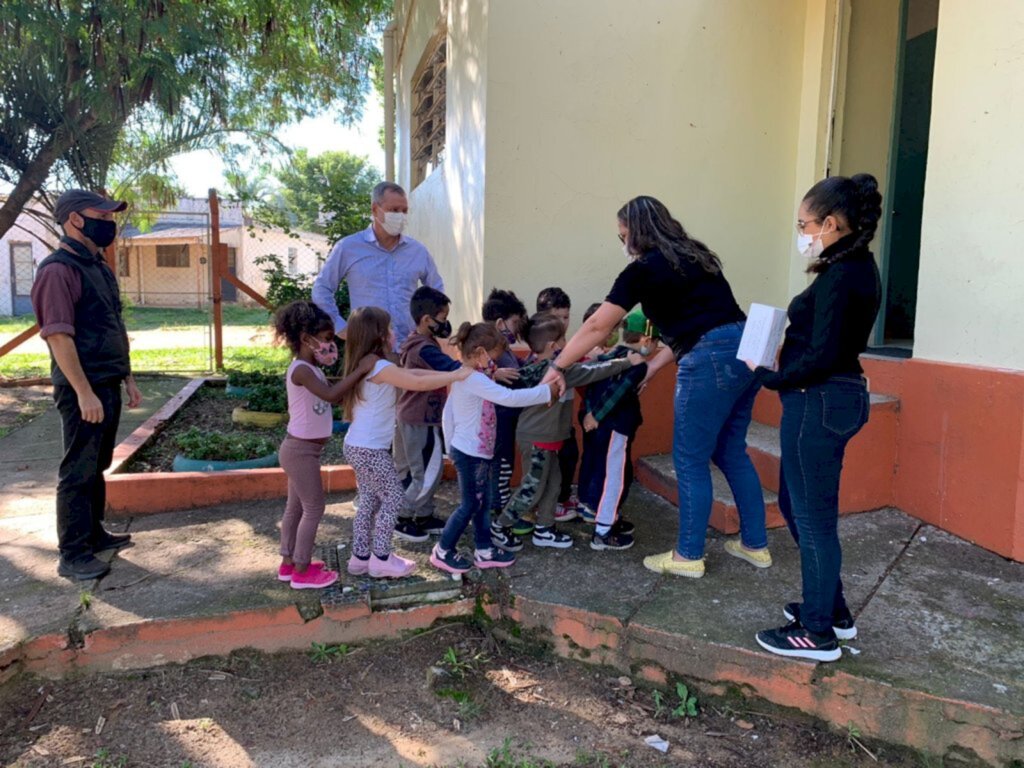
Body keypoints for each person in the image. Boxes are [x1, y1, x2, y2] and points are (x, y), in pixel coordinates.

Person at [541, 195, 769, 579]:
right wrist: (651, 370)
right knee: (732, 450)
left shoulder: (642, 270)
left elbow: (599, 325)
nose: (624, 244)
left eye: (623, 235)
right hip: (746, 351)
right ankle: (755, 545)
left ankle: (688, 556)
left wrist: (556, 365)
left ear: (637, 233)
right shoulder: (697, 256)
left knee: (690, 459)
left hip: (710, 358)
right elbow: (695, 328)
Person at [751, 174, 882, 663]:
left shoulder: (842, 276)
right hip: (829, 398)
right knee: (795, 501)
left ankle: (817, 631)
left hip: (819, 399)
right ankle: (832, 609)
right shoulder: (850, 268)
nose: (801, 232)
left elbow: (824, 353)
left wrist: (771, 376)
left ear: (830, 223)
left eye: (805, 224)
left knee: (813, 516)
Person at [30, 190, 142, 581]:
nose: (109, 223)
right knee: (78, 469)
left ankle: (94, 534)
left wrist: (126, 377)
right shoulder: (58, 271)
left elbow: (112, 322)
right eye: (101, 215)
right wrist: (83, 392)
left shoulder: (97, 265)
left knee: (97, 464)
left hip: (106, 380)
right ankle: (73, 553)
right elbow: (58, 337)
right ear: (74, 219)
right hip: (84, 387)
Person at [491, 312, 642, 552]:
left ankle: (545, 529)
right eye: (563, 340)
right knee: (533, 488)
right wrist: (626, 362)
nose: (567, 344)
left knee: (553, 484)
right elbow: (594, 369)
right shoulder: (559, 371)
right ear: (554, 346)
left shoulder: (535, 367)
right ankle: (500, 526)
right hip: (538, 440)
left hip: (549, 440)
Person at [339, 307, 471, 579]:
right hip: (370, 450)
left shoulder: (371, 363)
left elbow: (415, 375)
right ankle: (381, 558)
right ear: (377, 334)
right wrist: (455, 375)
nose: (393, 332)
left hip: (356, 445)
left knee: (370, 501)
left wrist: (453, 374)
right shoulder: (379, 366)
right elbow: (413, 382)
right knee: (393, 497)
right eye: (388, 328)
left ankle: (360, 558)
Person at [431, 323, 557, 574]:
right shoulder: (472, 378)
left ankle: (485, 549)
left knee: (482, 503)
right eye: (494, 358)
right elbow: (508, 398)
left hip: (477, 452)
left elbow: (449, 413)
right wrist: (546, 392)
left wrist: (450, 445)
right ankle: (443, 551)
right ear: (480, 353)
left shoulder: (470, 375)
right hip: (469, 454)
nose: (495, 364)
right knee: (469, 505)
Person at [272, 301, 378, 590]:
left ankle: (288, 563)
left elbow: (331, 389)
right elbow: (331, 395)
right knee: (314, 507)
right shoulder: (301, 370)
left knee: (295, 507)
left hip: (302, 450)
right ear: (307, 340)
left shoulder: (311, 369)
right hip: (300, 451)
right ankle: (303, 570)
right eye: (328, 339)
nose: (331, 346)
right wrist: (361, 370)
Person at [312, 181, 444, 350]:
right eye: (394, 210)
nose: (401, 216)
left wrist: (428, 328)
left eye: (404, 211)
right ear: (375, 210)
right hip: (366, 349)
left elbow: (437, 291)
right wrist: (341, 328)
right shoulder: (348, 248)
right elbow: (321, 289)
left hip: (410, 348)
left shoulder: (418, 251)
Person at [577, 309, 657, 550]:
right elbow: (617, 392)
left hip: (603, 426)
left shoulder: (614, 354)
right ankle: (603, 531)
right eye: (655, 343)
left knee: (603, 470)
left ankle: (610, 516)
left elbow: (593, 381)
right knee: (614, 476)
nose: (655, 348)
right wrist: (596, 415)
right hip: (615, 427)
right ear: (645, 340)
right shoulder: (638, 364)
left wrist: (590, 412)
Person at [394, 286, 462, 542]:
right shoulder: (423, 348)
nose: (446, 325)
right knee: (422, 472)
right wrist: (480, 367)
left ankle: (422, 515)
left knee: (426, 469)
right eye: (443, 319)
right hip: (418, 419)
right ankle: (401, 516)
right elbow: (452, 368)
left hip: (422, 417)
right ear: (427, 320)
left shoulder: (422, 342)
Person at [481, 288, 529, 517]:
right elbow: (470, 371)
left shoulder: (504, 348)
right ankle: (497, 511)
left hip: (508, 418)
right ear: (501, 323)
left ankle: (500, 504)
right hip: (496, 421)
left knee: (505, 462)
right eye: (515, 322)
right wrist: (494, 374)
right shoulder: (487, 349)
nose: (517, 328)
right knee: (499, 464)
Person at [536, 286, 580, 522]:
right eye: (557, 317)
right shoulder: (543, 349)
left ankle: (561, 498)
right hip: (547, 423)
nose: (564, 322)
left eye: (566, 316)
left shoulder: (569, 346)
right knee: (550, 465)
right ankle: (550, 504)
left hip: (565, 418)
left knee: (569, 455)